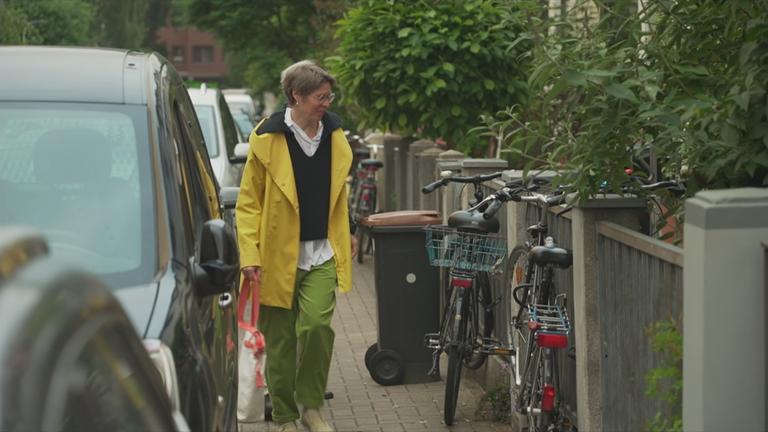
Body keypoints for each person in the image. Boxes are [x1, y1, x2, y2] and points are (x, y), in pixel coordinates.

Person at [236, 60, 356, 432]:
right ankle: (286, 416)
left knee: (316, 328)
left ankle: (312, 406)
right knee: (282, 341)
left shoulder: (334, 135)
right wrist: (249, 257)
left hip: (322, 251)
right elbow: (249, 203)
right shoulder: (267, 138)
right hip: (276, 256)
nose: (327, 103)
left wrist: (348, 230)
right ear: (296, 97)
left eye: (328, 96)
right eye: (320, 97)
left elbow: (338, 194)